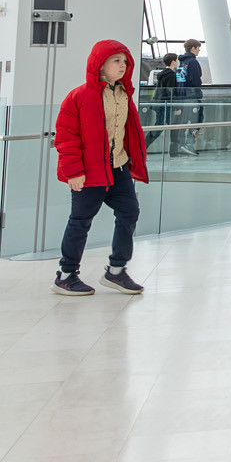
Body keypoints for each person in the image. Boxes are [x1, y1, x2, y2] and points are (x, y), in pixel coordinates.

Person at [52, 40, 150, 296]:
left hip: (118, 168)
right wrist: (73, 172)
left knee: (129, 212)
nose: (123, 65)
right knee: (80, 222)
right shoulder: (80, 96)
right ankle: (66, 275)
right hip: (90, 171)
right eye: (116, 61)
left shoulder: (123, 94)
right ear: (100, 65)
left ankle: (116, 271)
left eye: (125, 61)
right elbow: (66, 135)